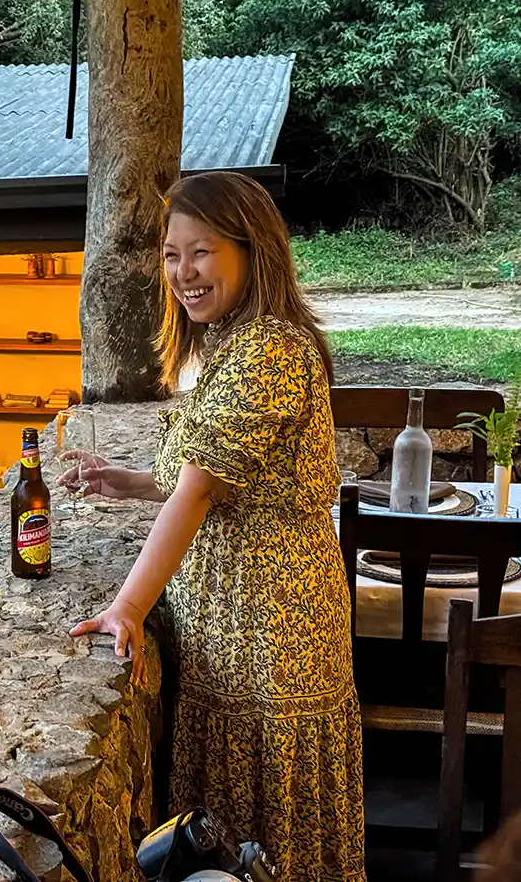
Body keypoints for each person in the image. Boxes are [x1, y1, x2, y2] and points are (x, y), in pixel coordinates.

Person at [60, 171, 365, 881]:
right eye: (171, 255)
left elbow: (198, 493)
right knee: (229, 833)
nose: (182, 273)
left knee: (265, 832)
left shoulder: (268, 352)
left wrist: (126, 606)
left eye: (200, 252)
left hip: (270, 632)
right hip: (234, 628)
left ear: (251, 250)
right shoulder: (233, 343)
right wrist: (132, 481)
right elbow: (218, 478)